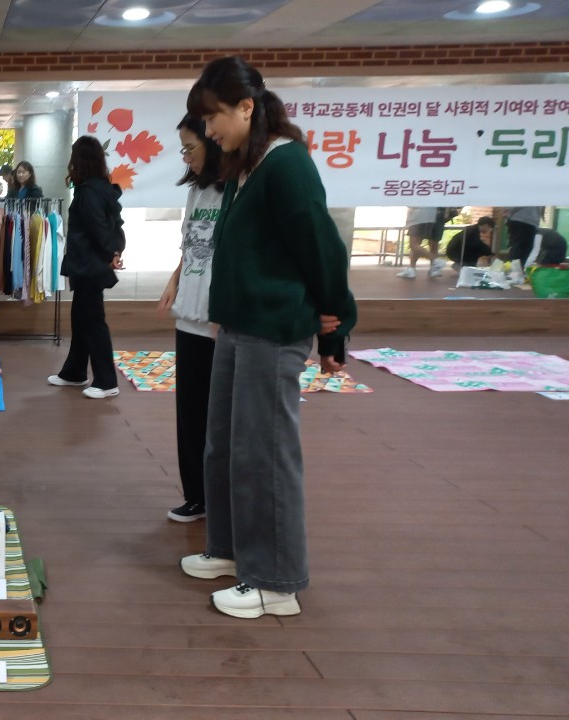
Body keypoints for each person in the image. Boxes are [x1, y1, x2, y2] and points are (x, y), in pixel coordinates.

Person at [181, 56, 356, 619]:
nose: (209, 131)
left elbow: (322, 249)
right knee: (225, 445)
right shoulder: (245, 164)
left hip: (272, 329)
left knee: (264, 452)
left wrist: (334, 324)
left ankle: (276, 581)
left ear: (247, 107)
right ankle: (233, 551)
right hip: (235, 326)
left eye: (214, 118)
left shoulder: (287, 166)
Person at [157, 114, 224, 523]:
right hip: (190, 313)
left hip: (220, 318)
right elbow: (191, 243)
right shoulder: (198, 190)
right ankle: (196, 495)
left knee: (219, 414)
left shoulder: (237, 188)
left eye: (190, 147)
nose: (186, 157)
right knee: (190, 411)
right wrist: (174, 279)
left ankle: (218, 497)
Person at [48, 136, 125, 399]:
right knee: (81, 320)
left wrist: (111, 252)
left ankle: (106, 381)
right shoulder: (99, 187)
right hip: (88, 265)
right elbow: (114, 223)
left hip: (90, 266)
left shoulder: (90, 191)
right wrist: (115, 250)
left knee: (92, 322)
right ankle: (75, 372)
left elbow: (100, 228)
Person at [395, 206, 449, 279]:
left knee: (414, 245)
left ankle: (435, 261)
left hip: (419, 217)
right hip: (428, 216)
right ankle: (412, 269)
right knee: (417, 244)